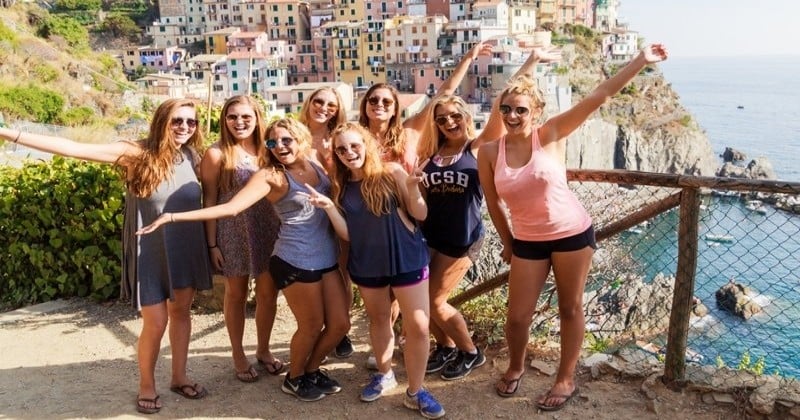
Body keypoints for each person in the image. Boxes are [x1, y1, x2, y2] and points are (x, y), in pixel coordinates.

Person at [477, 44, 669, 411]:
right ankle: (516, 366)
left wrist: (641, 60)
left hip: (571, 234)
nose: (512, 116)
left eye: (520, 109)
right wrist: (507, 243)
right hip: (527, 241)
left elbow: (601, 94)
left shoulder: (550, 133)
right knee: (517, 317)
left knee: (571, 308)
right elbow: (493, 202)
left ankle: (565, 378)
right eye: (506, 109)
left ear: (535, 112)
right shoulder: (489, 152)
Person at [0, 99, 213, 414]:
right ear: (162, 122)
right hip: (150, 249)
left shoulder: (194, 156)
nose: (184, 127)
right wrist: (9, 134)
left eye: (191, 122)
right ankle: (147, 384)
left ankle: (179, 377)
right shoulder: (136, 153)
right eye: (177, 121)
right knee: (156, 321)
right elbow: (72, 148)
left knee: (181, 313)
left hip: (186, 246)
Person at [138, 118, 350, 403]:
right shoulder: (270, 176)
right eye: (273, 143)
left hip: (326, 257)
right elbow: (231, 208)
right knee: (311, 326)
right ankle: (295, 377)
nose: (280, 147)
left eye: (287, 140)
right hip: (295, 259)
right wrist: (173, 216)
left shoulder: (314, 163)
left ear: (301, 138)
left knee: (339, 325)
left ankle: (311, 370)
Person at [416, 47, 562, 380]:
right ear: (436, 124)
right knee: (425, 300)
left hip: (463, 239)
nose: (449, 122)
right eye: (442, 119)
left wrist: (532, 62)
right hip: (431, 238)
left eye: (455, 116)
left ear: (466, 117)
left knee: (435, 301)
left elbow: (502, 105)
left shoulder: (477, 148)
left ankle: (470, 351)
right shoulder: (432, 154)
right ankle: (447, 347)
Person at [304, 122, 445, 419]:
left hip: (407, 257)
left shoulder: (392, 171)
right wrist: (329, 207)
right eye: (341, 149)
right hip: (368, 262)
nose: (348, 153)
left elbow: (420, 213)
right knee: (379, 319)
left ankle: (416, 391)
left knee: (419, 325)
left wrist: (412, 188)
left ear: (366, 143)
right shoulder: (339, 185)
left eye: (354, 145)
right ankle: (385, 373)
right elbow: (348, 234)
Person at [200, 95, 283, 382]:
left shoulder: (269, 147)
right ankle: (238, 353)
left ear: (257, 118)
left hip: (269, 228)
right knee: (235, 295)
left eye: (246, 116)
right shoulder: (216, 153)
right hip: (233, 231)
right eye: (232, 117)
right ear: (224, 120)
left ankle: (263, 349)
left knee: (267, 293)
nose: (239, 122)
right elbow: (209, 199)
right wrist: (212, 244)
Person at [297, 87, 354, 359]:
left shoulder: (339, 138)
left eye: (331, 105)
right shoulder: (293, 134)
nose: (323, 108)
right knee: (311, 273)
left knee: (341, 272)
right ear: (309, 102)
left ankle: (341, 329)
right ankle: (316, 326)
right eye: (319, 101)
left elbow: (347, 174)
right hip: (302, 216)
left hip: (337, 209)